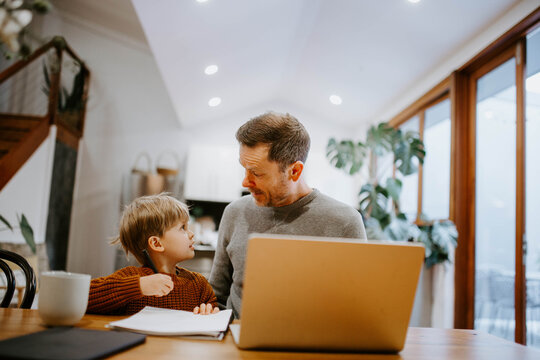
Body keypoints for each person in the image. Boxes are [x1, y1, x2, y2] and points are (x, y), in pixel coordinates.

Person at [209, 111, 367, 318]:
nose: (245, 182)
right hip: (237, 339)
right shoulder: (234, 213)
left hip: (313, 345)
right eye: (244, 169)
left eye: (256, 173)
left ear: (295, 171)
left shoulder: (345, 222)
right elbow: (216, 296)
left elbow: (358, 307)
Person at [87, 194, 219, 315]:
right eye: (182, 228)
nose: (191, 234)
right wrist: (138, 286)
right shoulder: (131, 278)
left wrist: (207, 311)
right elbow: (85, 296)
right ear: (156, 243)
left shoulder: (198, 285)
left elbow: (213, 311)